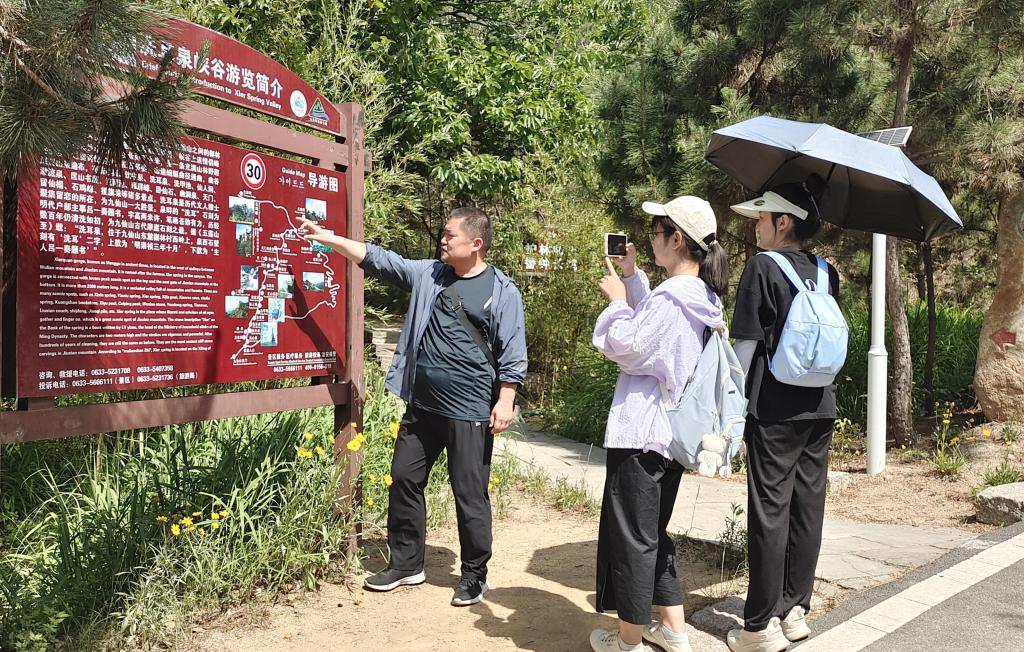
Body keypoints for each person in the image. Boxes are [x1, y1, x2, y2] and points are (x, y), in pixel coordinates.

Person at [298, 207, 527, 607]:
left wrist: (505, 400)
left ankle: (475, 574)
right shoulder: (430, 274)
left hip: (470, 410)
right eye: (443, 233)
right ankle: (406, 564)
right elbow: (380, 259)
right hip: (423, 406)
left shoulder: (502, 290)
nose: (442, 240)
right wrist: (328, 238)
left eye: (450, 235)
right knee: (404, 477)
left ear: (476, 244)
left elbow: (513, 351)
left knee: (469, 492)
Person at [589, 196, 729, 652]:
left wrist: (616, 302)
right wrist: (632, 279)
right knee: (651, 533)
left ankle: (628, 641)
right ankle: (673, 630)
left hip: (642, 433)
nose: (650, 239)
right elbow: (656, 332)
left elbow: (631, 345)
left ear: (676, 239)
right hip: (669, 436)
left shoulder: (674, 299)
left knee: (631, 539)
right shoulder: (700, 297)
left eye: (656, 232)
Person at [725, 175, 839, 652]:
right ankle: (794, 611)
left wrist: (730, 404)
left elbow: (746, 347)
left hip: (773, 408)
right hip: (820, 405)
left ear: (784, 222)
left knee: (769, 512)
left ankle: (758, 627)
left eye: (762, 218)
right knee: (807, 509)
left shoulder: (762, 268)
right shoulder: (827, 271)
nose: (756, 226)